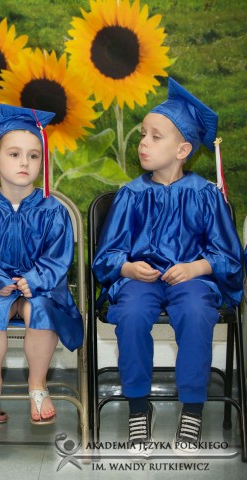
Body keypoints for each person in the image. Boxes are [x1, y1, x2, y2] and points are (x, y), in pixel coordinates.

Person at [92, 78, 243, 456]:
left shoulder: (206, 196)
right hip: (140, 280)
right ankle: (138, 408)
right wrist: (127, 269)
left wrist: (198, 268)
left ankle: (192, 409)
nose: (143, 142)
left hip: (192, 280)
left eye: (155, 136)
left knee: (196, 311)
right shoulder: (131, 195)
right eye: (143, 134)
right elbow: (106, 256)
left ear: (183, 149)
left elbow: (229, 257)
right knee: (130, 313)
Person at [0, 104, 83, 432]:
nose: (25, 162)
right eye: (14, 154)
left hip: (40, 290)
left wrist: (35, 279)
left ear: (42, 162)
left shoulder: (53, 211)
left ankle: (38, 386)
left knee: (41, 309)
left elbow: (58, 258)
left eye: (33, 155)